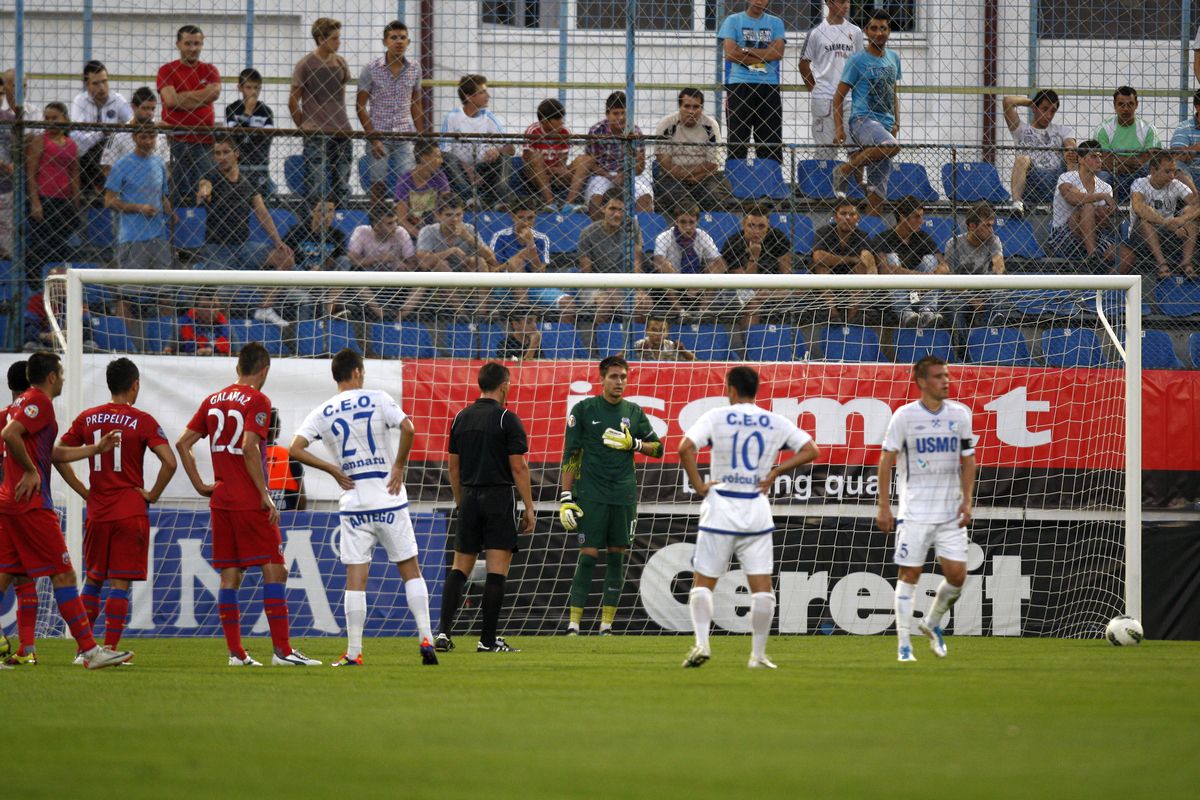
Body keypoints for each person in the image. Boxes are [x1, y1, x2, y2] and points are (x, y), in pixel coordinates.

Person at [175, 342, 321, 667]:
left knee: (230, 575)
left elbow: (183, 443)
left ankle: (236, 654)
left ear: (237, 367)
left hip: (221, 500)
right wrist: (264, 494)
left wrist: (200, 485)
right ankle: (282, 651)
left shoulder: (212, 400)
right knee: (276, 569)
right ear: (264, 370)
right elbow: (249, 446)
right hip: (248, 499)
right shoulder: (258, 400)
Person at [290, 349, 437, 666]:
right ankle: (426, 637)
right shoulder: (379, 398)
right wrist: (399, 466)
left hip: (354, 503)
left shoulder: (323, 411)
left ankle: (354, 652)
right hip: (389, 497)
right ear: (357, 372)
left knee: (356, 580)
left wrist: (332, 469)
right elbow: (409, 428)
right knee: (410, 570)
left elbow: (295, 448)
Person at [679, 366, 819, 668]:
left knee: (703, 583)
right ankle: (758, 655)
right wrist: (777, 471)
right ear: (756, 390)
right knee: (762, 589)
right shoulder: (774, 421)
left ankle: (702, 644)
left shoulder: (716, 417)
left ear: (730, 389)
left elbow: (685, 447)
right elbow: (811, 450)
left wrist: (700, 485)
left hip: (720, 510)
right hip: (755, 511)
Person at [0, 351, 132, 669]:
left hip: (9, 502)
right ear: (51, 377)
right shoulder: (40, 402)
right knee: (64, 574)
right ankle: (89, 651)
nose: (62, 379)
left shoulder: (19, 404)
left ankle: (34, 649)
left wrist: (95, 448)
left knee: (8, 574)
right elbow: (9, 435)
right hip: (30, 504)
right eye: (60, 374)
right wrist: (30, 471)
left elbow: (51, 453)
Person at [56, 358, 176, 661]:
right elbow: (170, 462)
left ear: (109, 384)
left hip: (98, 510)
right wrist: (152, 495)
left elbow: (57, 455)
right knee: (119, 581)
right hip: (129, 509)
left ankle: (84, 651)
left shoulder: (87, 418)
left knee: (94, 578)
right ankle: (109, 649)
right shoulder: (143, 420)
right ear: (135, 385)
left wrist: (83, 490)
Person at [876, 355, 976, 663]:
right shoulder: (904, 416)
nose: (945, 381)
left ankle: (931, 624)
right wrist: (884, 506)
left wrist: (967, 500)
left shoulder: (960, 414)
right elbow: (886, 460)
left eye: (946, 375)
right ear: (921, 382)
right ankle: (904, 644)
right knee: (910, 574)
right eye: (938, 376)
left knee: (957, 576)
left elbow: (968, 460)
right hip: (915, 512)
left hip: (950, 513)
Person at [559, 356, 663, 635]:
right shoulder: (584, 409)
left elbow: (658, 448)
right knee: (588, 555)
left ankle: (606, 625)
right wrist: (566, 496)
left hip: (623, 495)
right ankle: (573, 624)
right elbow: (571, 455)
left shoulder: (634, 412)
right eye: (614, 377)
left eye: (623, 377)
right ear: (601, 379)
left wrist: (635, 443)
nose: (619, 382)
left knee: (617, 557)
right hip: (591, 494)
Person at [436, 362, 535, 653]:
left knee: (459, 568)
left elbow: (453, 468)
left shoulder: (460, 418)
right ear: (504, 386)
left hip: (468, 496)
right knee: (497, 570)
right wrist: (529, 507)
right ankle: (487, 641)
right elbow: (519, 467)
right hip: (498, 497)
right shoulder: (507, 419)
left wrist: (461, 501)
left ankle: (443, 634)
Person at [195, 135, 294, 324]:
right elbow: (204, 187)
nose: (221, 157)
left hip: (244, 247)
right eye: (217, 153)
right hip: (218, 250)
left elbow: (262, 212)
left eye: (226, 152)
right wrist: (204, 192)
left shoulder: (248, 182)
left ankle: (264, 308)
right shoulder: (211, 177)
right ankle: (223, 333)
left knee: (285, 258)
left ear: (236, 154)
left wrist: (278, 241)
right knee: (223, 296)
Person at [832, 9, 902, 219]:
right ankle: (845, 169)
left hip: (885, 126)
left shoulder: (894, 58)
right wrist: (839, 128)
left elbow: (893, 92)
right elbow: (838, 97)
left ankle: (872, 230)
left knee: (877, 190)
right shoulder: (857, 60)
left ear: (889, 31)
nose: (879, 33)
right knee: (891, 146)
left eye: (883, 28)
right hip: (863, 121)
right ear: (866, 31)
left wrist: (896, 122)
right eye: (874, 28)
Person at [357, 20, 426, 204]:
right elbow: (360, 106)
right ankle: (377, 218)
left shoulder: (415, 68)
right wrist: (373, 138)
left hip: (405, 135)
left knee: (409, 181)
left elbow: (416, 103)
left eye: (403, 37)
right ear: (385, 42)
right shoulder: (371, 69)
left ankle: (408, 219)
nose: (399, 41)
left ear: (408, 42)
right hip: (379, 133)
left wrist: (420, 137)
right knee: (378, 182)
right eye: (394, 37)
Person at [290, 16, 353, 210]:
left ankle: (340, 218)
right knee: (316, 184)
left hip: (341, 130)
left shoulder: (340, 63)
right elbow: (293, 100)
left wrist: (341, 119)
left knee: (342, 183)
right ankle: (314, 220)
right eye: (334, 38)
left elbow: (340, 94)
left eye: (338, 37)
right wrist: (303, 125)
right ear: (321, 39)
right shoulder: (305, 65)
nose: (338, 42)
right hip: (317, 133)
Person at [158, 24, 220, 207]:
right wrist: (203, 97)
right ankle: (170, 223)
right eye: (188, 44)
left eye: (197, 44)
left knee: (205, 192)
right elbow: (170, 100)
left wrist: (181, 98)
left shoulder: (210, 70)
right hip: (174, 141)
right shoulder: (166, 70)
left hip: (204, 142)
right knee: (171, 192)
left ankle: (201, 223)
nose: (193, 49)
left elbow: (214, 93)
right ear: (178, 44)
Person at [1049, 139, 1133, 273]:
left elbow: (1103, 222)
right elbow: (1073, 198)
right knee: (1087, 207)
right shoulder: (1067, 177)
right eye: (1093, 156)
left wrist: (1102, 215)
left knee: (1127, 257)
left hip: (1094, 235)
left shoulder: (1106, 187)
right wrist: (1101, 198)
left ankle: (1104, 286)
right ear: (1080, 159)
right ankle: (1092, 254)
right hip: (1064, 236)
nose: (1099, 160)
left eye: (1100, 156)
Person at [0, 360, 37, 666]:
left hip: (6, 503)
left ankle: (26, 649)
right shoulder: (32, 418)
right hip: (22, 504)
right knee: (22, 576)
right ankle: (27, 647)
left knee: (19, 573)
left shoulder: (2, 417)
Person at [718, 0, 787, 163]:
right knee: (737, 141)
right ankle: (736, 177)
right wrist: (765, 54)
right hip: (739, 85)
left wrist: (745, 50)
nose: (759, 1)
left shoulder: (776, 23)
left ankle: (769, 177)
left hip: (768, 86)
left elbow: (777, 53)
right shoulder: (733, 20)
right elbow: (731, 54)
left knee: (769, 143)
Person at [105, 124, 174, 271]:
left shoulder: (159, 163)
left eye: (152, 137)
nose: (148, 141)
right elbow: (109, 201)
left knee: (163, 284)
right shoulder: (121, 165)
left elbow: (162, 196)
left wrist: (171, 214)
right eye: (143, 137)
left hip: (159, 237)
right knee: (133, 284)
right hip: (132, 237)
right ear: (134, 137)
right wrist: (139, 208)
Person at [26, 102, 79, 287]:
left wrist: (75, 203)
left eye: (54, 118)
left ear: (64, 118)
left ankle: (57, 285)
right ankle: (34, 286)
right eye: (46, 118)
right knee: (41, 244)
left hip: (63, 201)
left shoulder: (71, 144)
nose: (50, 122)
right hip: (44, 199)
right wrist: (35, 202)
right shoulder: (41, 141)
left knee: (60, 245)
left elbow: (74, 174)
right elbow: (31, 173)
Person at [439, 74, 513, 208]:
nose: (487, 96)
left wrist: (497, 150)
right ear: (468, 97)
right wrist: (467, 168)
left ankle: (501, 202)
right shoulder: (452, 117)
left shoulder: (489, 117)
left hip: (483, 169)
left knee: (504, 157)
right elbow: (444, 151)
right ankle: (470, 200)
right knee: (448, 159)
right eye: (482, 92)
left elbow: (510, 149)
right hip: (460, 171)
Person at [489, 195, 572, 313]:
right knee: (517, 262)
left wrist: (531, 245)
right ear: (512, 217)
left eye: (530, 218)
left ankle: (524, 309)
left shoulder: (542, 238)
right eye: (521, 218)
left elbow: (540, 273)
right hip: (505, 285)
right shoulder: (500, 237)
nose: (526, 223)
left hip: (533, 285)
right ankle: (524, 312)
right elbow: (494, 271)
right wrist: (517, 258)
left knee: (567, 302)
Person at [873, 196, 948, 327]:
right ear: (902, 217)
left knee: (930, 259)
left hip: (922, 290)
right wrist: (919, 277)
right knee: (892, 258)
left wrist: (928, 280)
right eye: (916, 217)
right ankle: (905, 312)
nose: (921, 221)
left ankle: (927, 311)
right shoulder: (883, 238)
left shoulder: (923, 237)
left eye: (922, 217)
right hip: (897, 289)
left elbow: (944, 267)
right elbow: (885, 269)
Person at [799, 0, 863, 152]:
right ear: (829, 3)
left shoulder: (855, 32)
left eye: (848, 1)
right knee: (825, 152)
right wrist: (815, 90)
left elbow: (860, 64)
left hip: (849, 99)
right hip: (824, 99)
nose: (846, 5)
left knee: (855, 151)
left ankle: (852, 169)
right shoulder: (816, 32)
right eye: (841, 1)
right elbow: (803, 64)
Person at [1002, 90, 1077, 217]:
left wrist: (1070, 149)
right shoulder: (1021, 129)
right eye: (1044, 109)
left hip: (1056, 179)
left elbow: (1071, 144)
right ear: (1035, 108)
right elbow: (1007, 102)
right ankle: (1017, 204)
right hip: (1033, 179)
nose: (1049, 115)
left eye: (1053, 111)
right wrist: (1031, 103)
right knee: (1022, 159)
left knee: (1072, 156)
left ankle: (1072, 201)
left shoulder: (1062, 130)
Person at [653, 88, 730, 210]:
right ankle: (690, 214)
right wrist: (687, 175)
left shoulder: (710, 125)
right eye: (687, 106)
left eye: (696, 107)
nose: (691, 111)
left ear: (702, 108)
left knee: (713, 197)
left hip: (705, 177)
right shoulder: (667, 124)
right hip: (672, 178)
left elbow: (713, 164)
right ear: (679, 107)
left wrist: (691, 175)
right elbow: (665, 163)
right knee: (679, 199)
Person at [1129, 150, 1200, 279]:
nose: (1172, 176)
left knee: (1191, 215)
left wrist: (1182, 219)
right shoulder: (1140, 183)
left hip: (1169, 232)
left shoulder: (1175, 184)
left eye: (1174, 171)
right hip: (1141, 236)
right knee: (1145, 220)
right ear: (1153, 170)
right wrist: (1166, 223)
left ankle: (1186, 263)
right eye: (1167, 171)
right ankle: (1162, 265)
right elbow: (1139, 208)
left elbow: (1196, 204)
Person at [70, 60, 133, 202]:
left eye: (104, 81)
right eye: (96, 83)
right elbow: (77, 138)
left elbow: (132, 124)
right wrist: (102, 132)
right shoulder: (80, 101)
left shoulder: (118, 99)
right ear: (87, 84)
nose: (102, 87)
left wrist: (114, 134)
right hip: (88, 154)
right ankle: (91, 192)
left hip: (113, 149)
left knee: (109, 146)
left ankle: (107, 191)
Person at [578, 188, 643, 319]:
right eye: (612, 209)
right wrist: (609, 288)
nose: (617, 214)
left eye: (621, 210)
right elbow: (587, 274)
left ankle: (635, 333)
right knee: (604, 303)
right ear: (603, 209)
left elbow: (636, 261)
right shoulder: (588, 233)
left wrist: (639, 290)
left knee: (644, 303)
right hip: (595, 284)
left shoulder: (631, 227)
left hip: (624, 282)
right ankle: (597, 332)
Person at [584, 91, 653, 216]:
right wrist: (609, 176)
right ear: (607, 114)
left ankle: (638, 227)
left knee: (645, 198)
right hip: (603, 174)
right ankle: (600, 227)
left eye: (623, 113)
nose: (620, 117)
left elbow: (640, 166)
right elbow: (591, 164)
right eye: (615, 113)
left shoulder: (636, 132)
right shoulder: (596, 131)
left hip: (630, 174)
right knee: (595, 199)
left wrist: (625, 175)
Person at [810, 198, 875, 322]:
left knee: (862, 267)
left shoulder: (862, 236)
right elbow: (818, 256)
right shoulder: (824, 232)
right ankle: (833, 314)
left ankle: (851, 317)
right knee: (821, 266)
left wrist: (868, 262)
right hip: (827, 281)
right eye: (843, 214)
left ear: (858, 218)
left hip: (852, 280)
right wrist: (851, 259)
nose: (847, 218)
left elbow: (867, 255)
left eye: (852, 214)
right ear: (836, 217)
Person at [520, 98, 590, 212]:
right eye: (557, 119)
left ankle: (569, 204)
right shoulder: (533, 131)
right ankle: (550, 204)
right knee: (536, 157)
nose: (562, 122)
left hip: (556, 172)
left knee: (584, 160)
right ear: (545, 121)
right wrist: (547, 171)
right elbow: (527, 160)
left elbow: (562, 161)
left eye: (562, 118)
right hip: (535, 174)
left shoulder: (564, 132)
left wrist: (559, 171)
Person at [942, 203, 1006, 328]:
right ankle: (962, 340)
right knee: (953, 305)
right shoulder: (954, 244)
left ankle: (993, 323)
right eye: (987, 226)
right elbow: (951, 280)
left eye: (992, 225)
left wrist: (999, 271)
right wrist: (972, 300)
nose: (991, 230)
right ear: (972, 226)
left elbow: (999, 265)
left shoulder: (993, 240)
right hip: (959, 290)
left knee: (999, 286)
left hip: (982, 287)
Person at [1095, 86, 1160, 202]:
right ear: (1115, 105)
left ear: (1136, 105)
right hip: (1113, 175)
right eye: (1121, 104)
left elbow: (1151, 160)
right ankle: (1101, 210)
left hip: (1139, 175)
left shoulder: (1149, 129)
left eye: (1130, 104)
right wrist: (1133, 160)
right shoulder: (1104, 129)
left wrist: (1116, 160)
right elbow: (1103, 161)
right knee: (1102, 176)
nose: (1126, 109)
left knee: (1151, 169)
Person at [225, 68, 275, 198]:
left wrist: (246, 134)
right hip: (238, 165)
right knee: (238, 199)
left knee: (261, 199)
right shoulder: (231, 109)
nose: (253, 92)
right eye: (248, 87)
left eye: (256, 88)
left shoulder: (266, 111)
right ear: (240, 88)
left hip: (259, 166)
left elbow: (266, 139)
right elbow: (234, 137)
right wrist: (247, 112)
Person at [101, 86, 171, 176]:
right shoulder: (119, 134)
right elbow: (107, 168)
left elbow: (166, 167)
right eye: (145, 108)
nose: (150, 113)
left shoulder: (161, 135)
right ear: (134, 107)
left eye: (152, 109)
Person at [394, 139, 451, 239]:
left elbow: (447, 207)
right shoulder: (405, 181)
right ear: (424, 158)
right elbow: (401, 219)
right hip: (411, 234)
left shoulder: (440, 177)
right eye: (437, 157)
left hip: (435, 231)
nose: (441, 161)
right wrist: (422, 236)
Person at [265, 408, 305, 512]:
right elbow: (302, 498)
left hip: (256, 516)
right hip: (287, 518)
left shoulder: (247, 456)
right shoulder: (289, 456)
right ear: (277, 429)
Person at [176, 291, 231, 355]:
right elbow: (171, 350)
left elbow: (235, 352)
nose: (211, 311)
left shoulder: (227, 327)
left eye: (214, 306)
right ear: (196, 308)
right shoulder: (182, 325)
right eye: (205, 307)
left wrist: (212, 349)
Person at [1169, 90, 1200, 191]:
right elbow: (1176, 156)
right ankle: (1194, 197)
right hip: (1192, 176)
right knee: (1176, 166)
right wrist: (1196, 148)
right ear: (1198, 107)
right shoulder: (1184, 127)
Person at [0, 69, 16, 259]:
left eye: (1, 94)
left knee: (7, 238)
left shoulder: (9, 119)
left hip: (6, 186)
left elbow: (17, 149)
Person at [629, 318, 696, 361]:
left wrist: (683, 350)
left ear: (667, 333)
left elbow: (694, 360)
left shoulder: (672, 346)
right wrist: (636, 350)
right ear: (646, 331)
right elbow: (622, 361)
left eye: (662, 330)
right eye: (654, 330)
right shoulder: (639, 345)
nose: (658, 334)